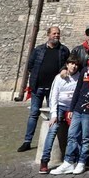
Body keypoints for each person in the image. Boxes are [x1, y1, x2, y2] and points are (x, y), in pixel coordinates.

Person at [51, 44, 89, 175]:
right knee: (72, 135)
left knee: (86, 137)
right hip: (78, 108)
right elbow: (77, 90)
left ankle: (82, 162)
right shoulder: (84, 70)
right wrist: (71, 109)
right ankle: (68, 162)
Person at [18, 25, 69, 153]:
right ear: (48, 35)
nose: (56, 35)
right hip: (37, 87)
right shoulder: (39, 49)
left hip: (53, 89)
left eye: (58, 34)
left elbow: (66, 65)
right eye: (54, 33)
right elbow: (30, 65)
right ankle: (27, 141)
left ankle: (51, 142)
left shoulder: (63, 50)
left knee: (53, 114)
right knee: (34, 114)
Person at [39, 58, 79, 173]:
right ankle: (44, 160)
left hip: (72, 108)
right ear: (67, 65)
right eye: (72, 64)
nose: (74, 66)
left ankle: (74, 158)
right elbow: (54, 96)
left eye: (76, 64)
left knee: (75, 132)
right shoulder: (59, 77)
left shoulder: (79, 76)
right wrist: (54, 114)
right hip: (60, 107)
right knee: (53, 129)